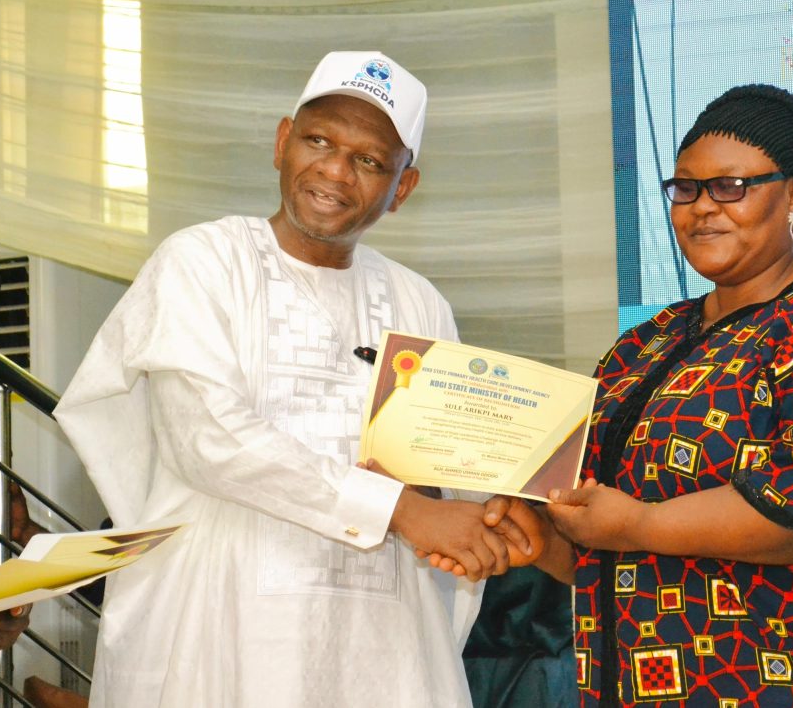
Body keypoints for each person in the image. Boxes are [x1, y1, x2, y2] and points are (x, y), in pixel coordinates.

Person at [53, 51, 527, 707]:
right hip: (219, 629)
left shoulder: (419, 303)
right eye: (319, 140)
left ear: (403, 188)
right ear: (283, 142)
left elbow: (447, 468)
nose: (334, 170)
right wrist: (402, 510)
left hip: (382, 646)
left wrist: (489, 514)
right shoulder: (203, 260)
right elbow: (208, 439)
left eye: (369, 160)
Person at [462, 84, 793, 705]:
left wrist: (642, 524)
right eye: (685, 188)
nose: (702, 207)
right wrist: (544, 539)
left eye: (730, 187)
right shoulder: (644, 345)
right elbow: (610, 548)